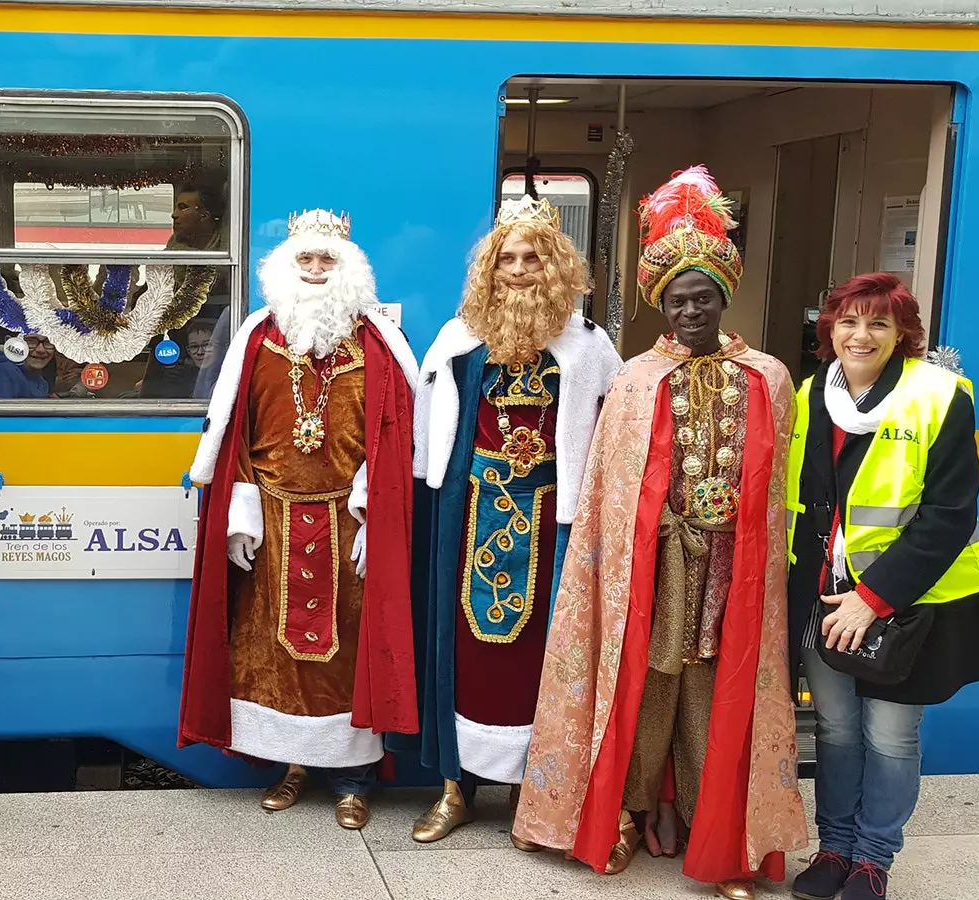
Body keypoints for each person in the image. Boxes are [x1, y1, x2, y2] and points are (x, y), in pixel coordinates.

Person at [511, 166, 806, 900]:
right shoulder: (639, 379)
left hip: (732, 569)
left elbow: (776, 489)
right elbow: (613, 491)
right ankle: (629, 815)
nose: (692, 310)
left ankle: (721, 837)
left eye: (703, 297)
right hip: (657, 565)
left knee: (715, 691)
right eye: (679, 301)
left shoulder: (767, 375)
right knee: (646, 689)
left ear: (723, 299)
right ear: (662, 309)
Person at [179, 209, 419, 830]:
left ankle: (354, 779)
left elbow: (394, 437)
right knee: (273, 653)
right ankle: (291, 766)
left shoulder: (377, 344)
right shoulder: (258, 337)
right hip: (275, 524)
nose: (315, 271)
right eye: (305, 261)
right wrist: (238, 512)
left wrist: (375, 513)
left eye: (326, 261)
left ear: (348, 270)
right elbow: (237, 433)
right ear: (286, 268)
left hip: (348, 523)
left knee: (349, 650)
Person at [401, 196, 620, 843]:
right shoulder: (458, 339)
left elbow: (609, 433)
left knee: (540, 661)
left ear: (553, 265)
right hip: (467, 515)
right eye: (507, 260)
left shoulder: (589, 346)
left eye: (531, 258)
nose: (518, 271)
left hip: (553, 520)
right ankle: (454, 789)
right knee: (461, 654)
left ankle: (535, 797)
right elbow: (430, 434)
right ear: (489, 270)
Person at [786, 273, 979, 900]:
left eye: (878, 324)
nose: (861, 335)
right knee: (834, 727)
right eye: (848, 322)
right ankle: (833, 848)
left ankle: (873, 859)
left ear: (901, 335)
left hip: (904, 604)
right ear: (829, 327)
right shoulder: (808, 395)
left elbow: (948, 515)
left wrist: (873, 596)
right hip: (823, 600)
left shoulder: (941, 396)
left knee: (889, 733)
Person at [0, 333, 55, 399]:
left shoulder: (41, 382)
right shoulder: (4, 373)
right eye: (31, 341)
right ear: (10, 341)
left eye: (48, 342)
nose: (41, 350)